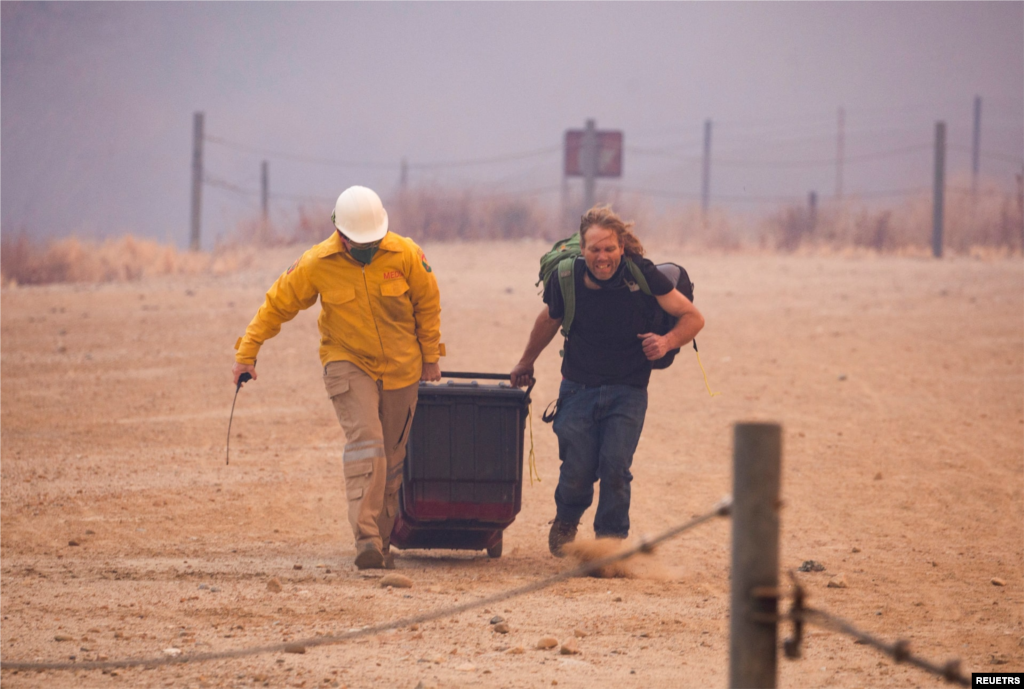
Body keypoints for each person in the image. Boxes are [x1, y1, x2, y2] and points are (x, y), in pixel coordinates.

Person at [231, 185, 442, 570]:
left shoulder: (407, 255)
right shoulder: (316, 263)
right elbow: (277, 304)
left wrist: (431, 357)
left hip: (402, 368)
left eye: (373, 242)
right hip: (348, 362)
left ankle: (381, 541)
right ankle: (365, 539)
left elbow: (427, 305)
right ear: (339, 233)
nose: (367, 249)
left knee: (393, 463)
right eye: (358, 243)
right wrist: (247, 353)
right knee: (368, 445)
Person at [510, 205, 704, 557]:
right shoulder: (566, 277)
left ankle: (609, 545)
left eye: (610, 249)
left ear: (622, 248)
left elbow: (692, 317)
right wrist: (526, 361)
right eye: (595, 249)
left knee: (616, 466)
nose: (603, 257)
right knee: (577, 469)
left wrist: (666, 342)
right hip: (578, 387)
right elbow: (549, 321)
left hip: (628, 389)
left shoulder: (641, 274)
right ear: (582, 249)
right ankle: (567, 520)